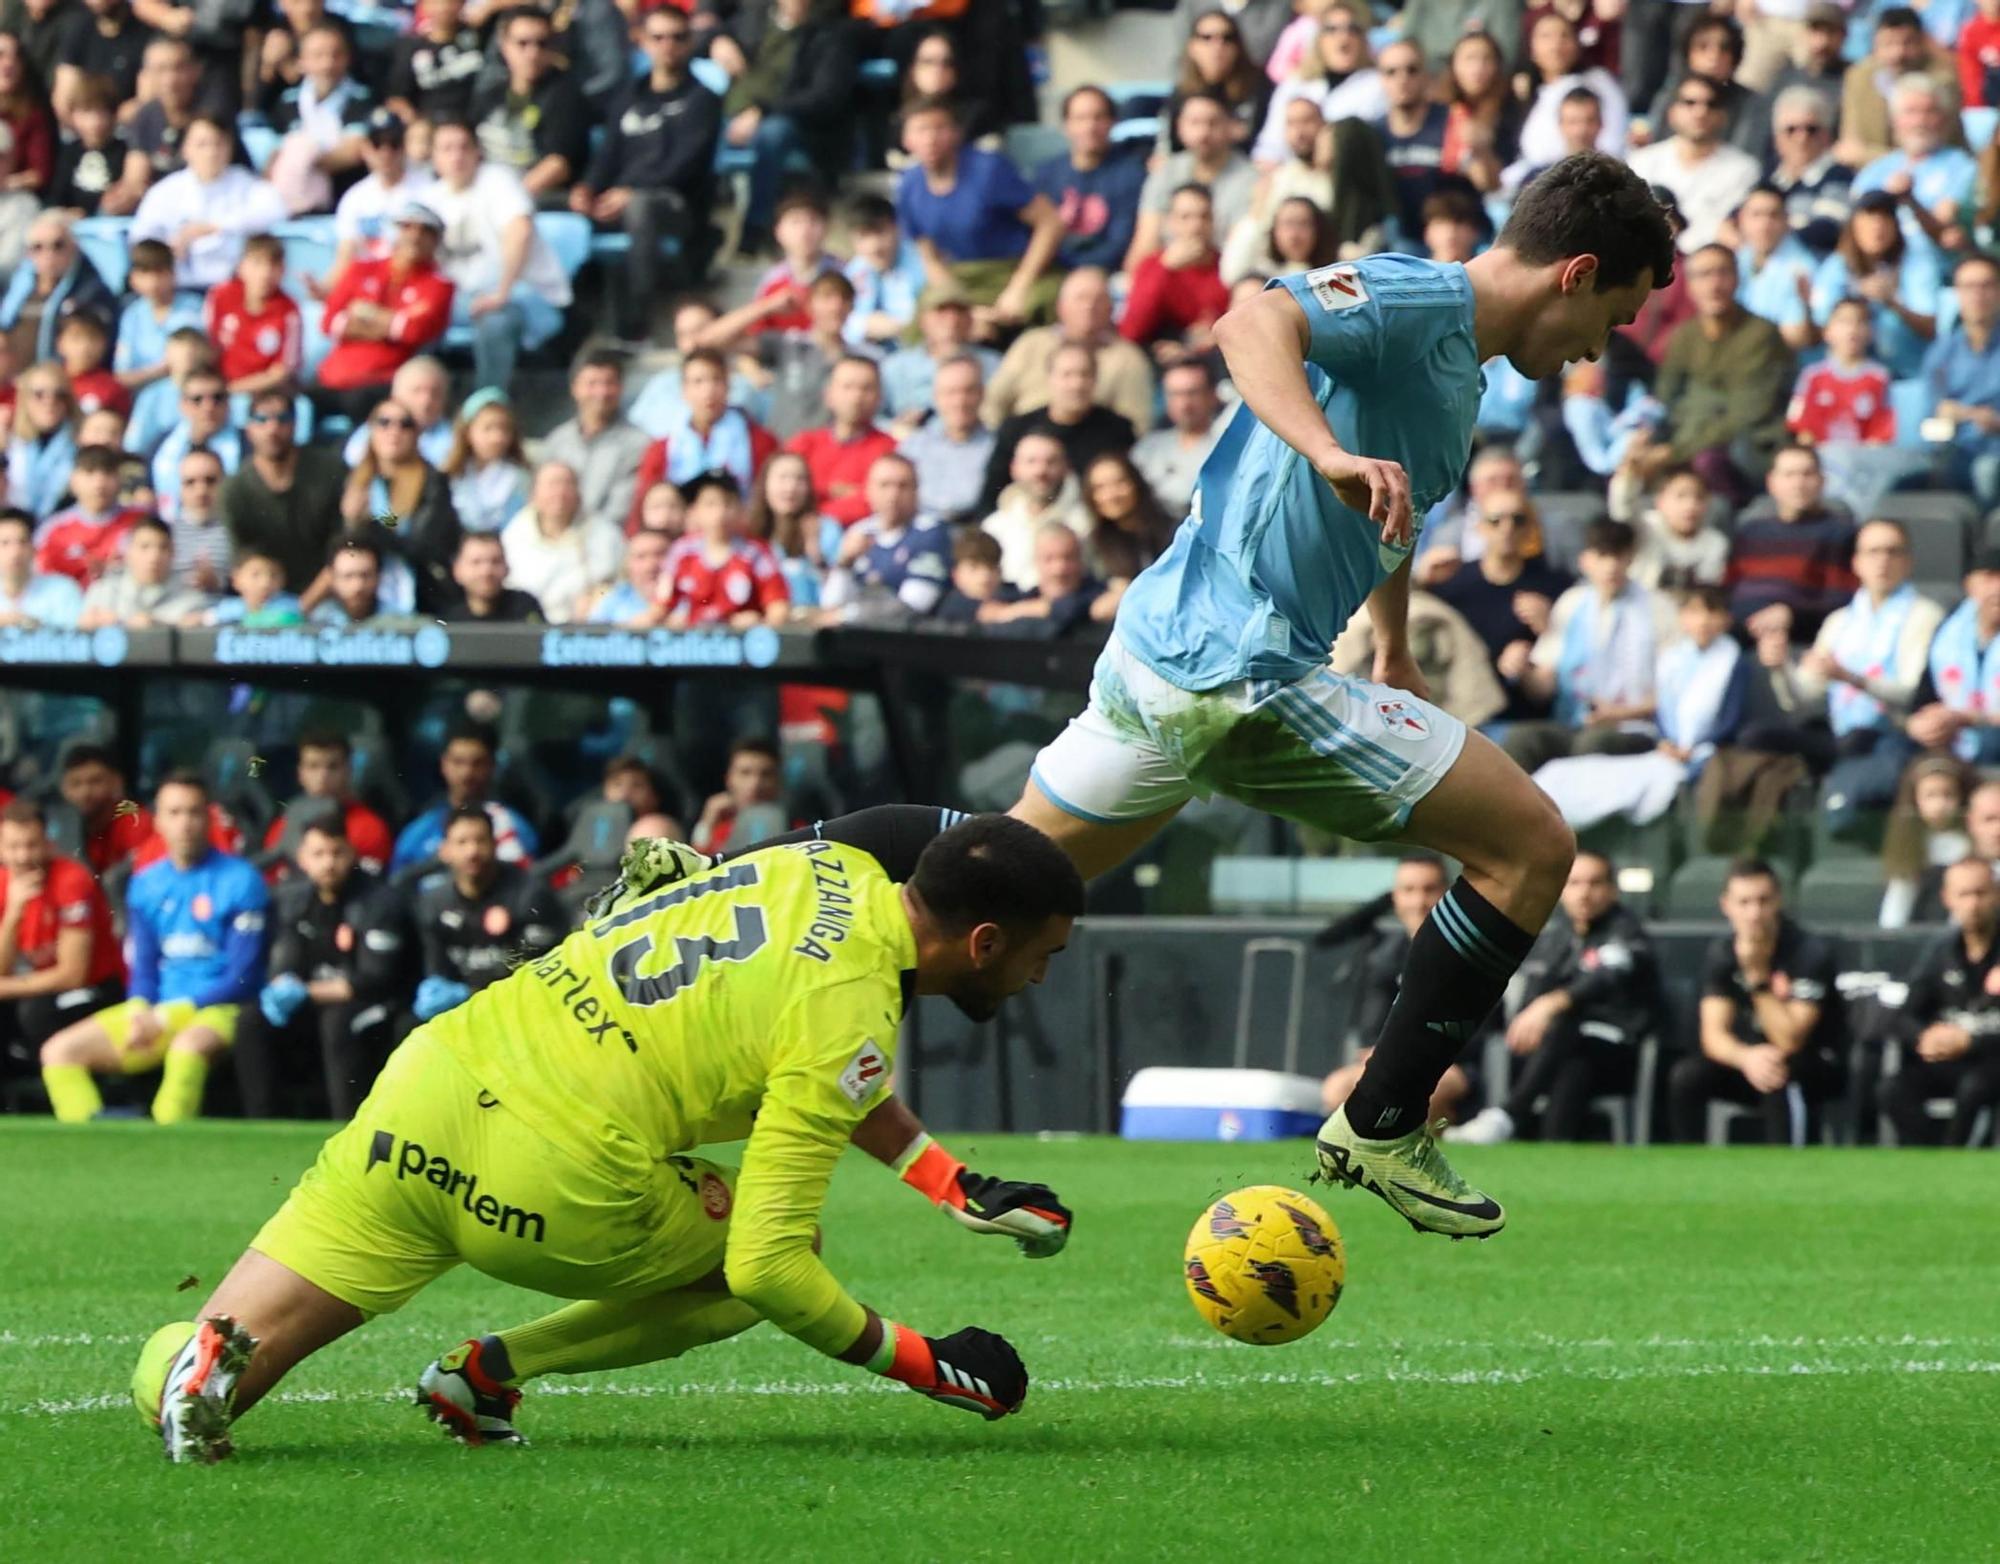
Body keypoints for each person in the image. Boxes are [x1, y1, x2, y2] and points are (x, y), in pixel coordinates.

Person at [961, 152, 1670, 1240]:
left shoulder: (1456, 372)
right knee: (1529, 847)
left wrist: (1388, 643)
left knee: (984, 897)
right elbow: (1248, 325)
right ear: (1575, 273)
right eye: (1612, 318)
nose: (1596, 348)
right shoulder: (1416, 295)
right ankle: (1381, 1118)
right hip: (1236, 669)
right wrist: (1327, 450)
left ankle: (748, 902)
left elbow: (1387, 510)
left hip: (1165, 659)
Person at [135, 813, 1079, 1463]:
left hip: (433, 1089)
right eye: (1047, 953)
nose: (1043, 975)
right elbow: (768, 1270)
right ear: (986, 941)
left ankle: (200, 1366)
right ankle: (489, 1373)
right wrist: (929, 1364)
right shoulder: (852, 1013)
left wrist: (951, 1183)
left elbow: (804, 1058)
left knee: (210, 1367)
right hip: (559, 1176)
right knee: (773, 1250)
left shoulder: (816, 868)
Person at [38, 771, 267, 1125]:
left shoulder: (241, 880)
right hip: (157, 1011)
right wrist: (141, 1008)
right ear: (157, 820)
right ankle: (92, 1142)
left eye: (193, 812)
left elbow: (243, 977)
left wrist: (168, 1015)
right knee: (58, 1053)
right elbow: (143, 964)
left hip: (221, 1011)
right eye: (174, 813)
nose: (185, 823)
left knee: (186, 1050)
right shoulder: (146, 884)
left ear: (209, 817)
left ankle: (169, 1143)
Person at [1449, 851, 1660, 1144]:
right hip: (1565, 1054)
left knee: (1564, 1028)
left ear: (1612, 890)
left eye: (1595, 883)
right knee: (1572, 1067)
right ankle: (1552, 1147)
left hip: (1618, 1049)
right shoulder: (1556, 937)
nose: (1584, 894)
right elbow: (1534, 989)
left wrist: (1553, 1003)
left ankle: (1508, 1115)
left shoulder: (1626, 931)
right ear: (1562, 891)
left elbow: (1608, 975)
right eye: (1575, 884)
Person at [235, 815, 408, 1119]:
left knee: (337, 1022)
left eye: (337, 852)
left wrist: (305, 991)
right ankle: (261, 1125)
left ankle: (346, 1126)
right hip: (317, 1001)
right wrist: (282, 986)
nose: (328, 863)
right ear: (302, 859)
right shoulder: (294, 901)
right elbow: (284, 965)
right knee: (251, 1020)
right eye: (319, 854)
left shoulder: (380, 902)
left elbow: (374, 980)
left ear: (351, 854)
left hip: (376, 1005)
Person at [567, 7, 719, 338]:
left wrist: (631, 192)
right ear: (642, 42)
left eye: (678, 37)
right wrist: (587, 188)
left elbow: (686, 165)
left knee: (642, 208)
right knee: (550, 206)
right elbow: (608, 154)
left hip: (677, 204)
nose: (668, 45)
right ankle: (567, 322)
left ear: (691, 42)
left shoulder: (703, 99)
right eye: (658, 37)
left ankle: (639, 321)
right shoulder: (628, 96)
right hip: (620, 198)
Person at [1668, 857, 1842, 1146]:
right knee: (1687, 1076)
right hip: (1747, 1060)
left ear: (1779, 901)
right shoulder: (1722, 954)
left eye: (1763, 901)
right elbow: (1713, 1035)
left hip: (1809, 1062)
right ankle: (1690, 1167)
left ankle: (1787, 1171)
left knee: (1778, 1071)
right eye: (1744, 902)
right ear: (1726, 906)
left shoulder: (1809, 953)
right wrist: (1745, 1057)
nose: (1754, 913)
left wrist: (1758, 978)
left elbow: (1790, 1039)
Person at [1791, 518, 1945, 841]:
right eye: (1873, 552)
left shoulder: (1925, 615)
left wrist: (1850, 677)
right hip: (1839, 735)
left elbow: (1912, 694)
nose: (1882, 561)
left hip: (1891, 734)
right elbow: (1806, 693)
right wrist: (1779, 666)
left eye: (1892, 552)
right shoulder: (1840, 621)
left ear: (1908, 562)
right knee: (1758, 738)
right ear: (1857, 563)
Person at [1317, 853, 1476, 1126]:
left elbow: (1480, 1034)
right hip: (1390, 1063)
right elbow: (1370, 1031)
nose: (1419, 901)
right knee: (1337, 1088)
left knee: (1425, 1090)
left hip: (1453, 1067)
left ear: (1447, 894)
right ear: (1395, 897)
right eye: (1408, 890)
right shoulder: (1384, 956)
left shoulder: (1470, 952)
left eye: (1429, 890)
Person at [424, 118, 572, 392]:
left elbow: (520, 231)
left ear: (477, 152)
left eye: (463, 147)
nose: (456, 156)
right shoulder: (430, 198)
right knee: (415, 318)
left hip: (521, 294)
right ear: (433, 157)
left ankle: (485, 407)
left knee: (495, 321)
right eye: (446, 149)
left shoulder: (498, 181)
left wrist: (502, 291)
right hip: (462, 299)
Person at [897, 95, 1064, 331]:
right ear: (906, 139)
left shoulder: (988, 169)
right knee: (921, 325)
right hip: (960, 277)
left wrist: (1019, 287)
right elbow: (929, 258)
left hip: (1015, 269)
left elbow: (1051, 223)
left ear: (956, 133)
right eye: (921, 130)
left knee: (1041, 306)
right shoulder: (908, 185)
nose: (931, 139)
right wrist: (964, 309)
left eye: (940, 128)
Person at [1657, 244, 1795, 503]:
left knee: (1708, 462)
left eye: (1722, 273)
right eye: (1703, 275)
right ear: (1689, 285)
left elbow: (1747, 412)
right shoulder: (1684, 336)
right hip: (1689, 435)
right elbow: (1666, 397)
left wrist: (1675, 451)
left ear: (1736, 278)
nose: (1714, 284)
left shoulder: (1761, 334)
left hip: (1748, 443)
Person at [0, 796, 123, 1076]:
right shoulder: (4, 883)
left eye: (31, 845)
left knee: (35, 1012)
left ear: (47, 842)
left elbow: (73, 974)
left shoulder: (71, 880)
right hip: (44, 988)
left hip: (98, 989)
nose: (22, 856)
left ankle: (48, 1095)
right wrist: (13, 915)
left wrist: (5, 988)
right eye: (13, 847)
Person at [1882, 856, 2000, 1146]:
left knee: (1976, 1087)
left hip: (1992, 1058)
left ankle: (1955, 1155)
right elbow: (1904, 1017)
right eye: (1964, 895)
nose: (1973, 904)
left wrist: (1970, 1040)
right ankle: (1929, 1155)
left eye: (1980, 893)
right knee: (1892, 1089)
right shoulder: (1940, 952)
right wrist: (1926, 1036)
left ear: (1996, 894)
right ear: (1947, 899)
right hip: (1948, 1057)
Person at [410, 805, 561, 1023]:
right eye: (462, 842)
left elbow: (534, 971)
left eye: (480, 840)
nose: (472, 852)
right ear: (445, 851)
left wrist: (469, 993)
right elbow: (437, 969)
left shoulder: (531, 894)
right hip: (462, 1012)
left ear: (495, 844)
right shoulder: (433, 902)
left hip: (521, 1009)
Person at [316, 202, 455, 414]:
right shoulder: (361, 269)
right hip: (333, 375)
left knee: (361, 403)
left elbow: (415, 331)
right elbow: (330, 322)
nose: (414, 236)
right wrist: (394, 322)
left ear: (435, 240)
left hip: (386, 379)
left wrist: (366, 314)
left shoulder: (439, 285)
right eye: (406, 227)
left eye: (425, 231)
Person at [981, 268, 1156, 435]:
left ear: (1111, 309)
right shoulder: (1031, 343)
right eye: (1081, 298)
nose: (1089, 306)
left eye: (1099, 299)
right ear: (1060, 306)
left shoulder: (1127, 358)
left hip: (1092, 453)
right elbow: (993, 402)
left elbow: (1136, 424)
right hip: (1026, 451)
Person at [129, 116, 287, 291]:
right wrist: (166, 251)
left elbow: (276, 210)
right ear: (185, 149)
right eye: (202, 144)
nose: (211, 152)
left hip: (234, 287)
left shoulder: (246, 184)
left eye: (218, 144)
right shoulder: (164, 192)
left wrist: (214, 227)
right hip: (179, 289)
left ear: (230, 148)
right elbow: (141, 237)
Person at [221, 389, 345, 604]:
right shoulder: (235, 489)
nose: (272, 428)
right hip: (265, 599)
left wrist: (305, 606)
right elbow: (244, 560)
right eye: (261, 419)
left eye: (282, 419)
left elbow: (346, 545)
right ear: (248, 428)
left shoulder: (330, 470)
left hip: (330, 594)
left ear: (296, 424)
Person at [631, 347, 779, 515]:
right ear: (684, 390)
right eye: (698, 382)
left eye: (716, 380)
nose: (708, 391)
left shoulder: (760, 442)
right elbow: (645, 508)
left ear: (729, 386)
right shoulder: (662, 450)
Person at [1809, 192, 1939, 382]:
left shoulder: (1916, 262)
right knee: (1847, 325)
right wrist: (1858, 300)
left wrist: (1892, 303)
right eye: (1869, 219)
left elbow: (1931, 328)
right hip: (1850, 372)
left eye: (1885, 219)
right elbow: (1821, 324)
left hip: (1907, 374)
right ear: (1854, 225)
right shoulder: (1837, 265)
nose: (1877, 227)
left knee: (1888, 325)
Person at [467, 6, 587, 206]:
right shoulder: (488, 95)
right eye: (522, 43)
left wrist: (507, 201)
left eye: (542, 43)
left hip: (532, 200)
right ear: (503, 45)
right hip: (484, 192)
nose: (532, 53)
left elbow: (559, 164)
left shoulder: (567, 96)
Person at [1628, 74, 1760, 253]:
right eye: (1690, 103)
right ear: (1672, 112)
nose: (1701, 112)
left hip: (1713, 269)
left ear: (1723, 116)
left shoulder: (1744, 170)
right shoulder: (1641, 162)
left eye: (1710, 104)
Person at [388, 720, 540, 874]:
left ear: (493, 765)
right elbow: (397, 890)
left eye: (477, 763)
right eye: (458, 762)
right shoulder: (417, 833)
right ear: (444, 764)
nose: (467, 773)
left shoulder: (515, 829)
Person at [1132, 92, 1257, 271]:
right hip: (1167, 270)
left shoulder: (1250, 179)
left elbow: (1240, 253)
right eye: (1195, 123)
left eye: (1213, 123)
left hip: (1222, 276)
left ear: (1230, 126)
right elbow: (1145, 242)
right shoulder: (1165, 172)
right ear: (1179, 127)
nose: (1203, 133)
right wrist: (1161, 268)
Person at [655, 469, 791, 630]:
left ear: (741, 509)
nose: (720, 513)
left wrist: (760, 623)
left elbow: (778, 607)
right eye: (710, 504)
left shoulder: (757, 553)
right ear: (694, 511)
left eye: (728, 503)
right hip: (694, 646)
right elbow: (660, 607)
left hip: (743, 646)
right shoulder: (682, 552)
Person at [1033, 85, 1147, 275]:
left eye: (1098, 117)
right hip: (1054, 273)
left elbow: (1119, 243)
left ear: (1113, 121)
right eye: (1080, 118)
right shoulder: (1045, 175)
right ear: (1066, 125)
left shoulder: (1133, 174)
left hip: (1109, 274)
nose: (1090, 127)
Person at [822, 453, 949, 624]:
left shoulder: (930, 533)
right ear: (868, 490)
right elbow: (830, 603)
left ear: (916, 491)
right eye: (884, 485)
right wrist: (845, 562)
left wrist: (845, 616)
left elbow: (914, 605)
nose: (893, 494)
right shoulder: (860, 531)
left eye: (903, 486)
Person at [1834, 6, 1963, 172]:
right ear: (1875, 46)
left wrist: (1869, 155)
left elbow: (1934, 150)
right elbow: (1849, 147)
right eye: (1888, 44)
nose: (1898, 53)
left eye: (1907, 43)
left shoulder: (1943, 80)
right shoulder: (1859, 78)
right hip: (1869, 175)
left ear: (1922, 43)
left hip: (1936, 174)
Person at [539, 351, 649, 538]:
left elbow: (621, 509)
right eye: (592, 384)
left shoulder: (640, 445)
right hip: (556, 541)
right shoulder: (557, 442)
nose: (601, 392)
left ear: (621, 387)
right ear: (575, 388)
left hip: (610, 542)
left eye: (609, 383)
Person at [1920, 252, 2000, 506]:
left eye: (1986, 285)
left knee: (1986, 472)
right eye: (1968, 286)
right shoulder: (1942, 351)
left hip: (1994, 452)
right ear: (1956, 292)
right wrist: (1968, 415)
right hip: (1954, 449)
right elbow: (1933, 411)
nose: (1977, 295)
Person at [498, 461, 620, 624]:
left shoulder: (606, 534)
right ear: (533, 493)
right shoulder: (513, 535)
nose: (560, 492)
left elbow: (616, 585)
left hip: (585, 629)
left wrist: (600, 603)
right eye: (552, 485)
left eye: (567, 484)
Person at [261, 730, 394, 876]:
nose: (322, 776)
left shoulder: (369, 828)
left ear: (349, 770)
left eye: (332, 767)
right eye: (313, 766)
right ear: (301, 773)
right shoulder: (283, 825)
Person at [783, 355, 896, 527]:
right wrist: (836, 492)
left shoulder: (889, 450)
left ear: (879, 397)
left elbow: (877, 503)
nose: (856, 397)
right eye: (847, 387)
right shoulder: (803, 444)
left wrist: (817, 501)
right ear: (829, 395)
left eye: (866, 388)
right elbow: (781, 492)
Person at [1117, 184, 1227, 360]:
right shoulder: (1152, 265)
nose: (1196, 225)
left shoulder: (1227, 266)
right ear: (1171, 222)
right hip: (1162, 359)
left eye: (1204, 216)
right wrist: (1165, 269)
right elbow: (1131, 331)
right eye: (1185, 217)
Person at [1912, 549, 2000, 767]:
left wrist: (1967, 718)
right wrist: (1920, 724)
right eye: (1990, 577)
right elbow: (1924, 699)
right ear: (1970, 585)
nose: (1998, 587)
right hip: (1951, 739)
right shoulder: (1948, 632)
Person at [0, 209, 114, 364]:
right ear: (28, 253)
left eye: (58, 245)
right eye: (37, 247)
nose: (48, 254)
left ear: (74, 247)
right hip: (18, 382)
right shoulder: (18, 292)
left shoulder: (91, 292)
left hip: (62, 384)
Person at [979, 430, 1086, 592]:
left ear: (1066, 467)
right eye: (1031, 462)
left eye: (1051, 462)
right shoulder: (994, 527)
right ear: (1014, 468)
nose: (1041, 471)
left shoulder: (1086, 523)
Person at [897, 350, 993, 525]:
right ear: (936, 397)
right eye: (950, 393)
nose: (959, 402)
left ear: (982, 394)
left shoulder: (997, 447)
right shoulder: (913, 447)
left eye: (968, 391)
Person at [975, 521, 1108, 635]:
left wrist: (1013, 612)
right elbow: (985, 613)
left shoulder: (1100, 594)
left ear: (1080, 560)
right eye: (1049, 559)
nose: (1059, 569)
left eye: (1068, 558)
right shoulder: (1025, 596)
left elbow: (1071, 609)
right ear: (1036, 561)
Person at [78, 514, 209, 626]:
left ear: (173, 553)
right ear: (128, 552)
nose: (154, 557)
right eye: (144, 547)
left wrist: (156, 627)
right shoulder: (103, 593)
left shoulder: (192, 600)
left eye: (163, 548)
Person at [442, 389, 530, 535]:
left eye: (504, 429)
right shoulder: (448, 475)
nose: (497, 438)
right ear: (467, 431)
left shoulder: (520, 478)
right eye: (488, 428)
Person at [689, 736, 788, 855]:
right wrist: (707, 821)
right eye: (745, 773)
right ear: (729, 779)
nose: (755, 783)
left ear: (778, 780)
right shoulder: (717, 826)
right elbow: (697, 860)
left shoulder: (793, 825)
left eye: (765, 774)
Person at [0, 507, 84, 625]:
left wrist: (33, 626)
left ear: (34, 548)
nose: (15, 552)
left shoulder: (62, 590)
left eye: (22, 542)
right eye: (4, 543)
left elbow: (74, 637)